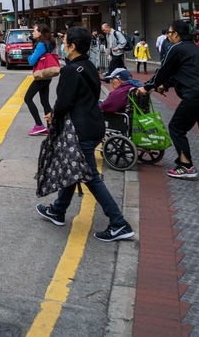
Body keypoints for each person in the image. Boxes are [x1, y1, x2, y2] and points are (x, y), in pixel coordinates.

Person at [36, 26, 135, 242]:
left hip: (81, 129)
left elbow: (64, 102)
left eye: (65, 43)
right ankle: (58, 210)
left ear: (72, 46)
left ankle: (118, 223)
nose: (63, 46)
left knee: (90, 176)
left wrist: (54, 115)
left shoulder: (71, 70)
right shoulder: (88, 65)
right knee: (76, 168)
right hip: (93, 124)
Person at [141, 21, 199, 185]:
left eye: (170, 32)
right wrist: (166, 85)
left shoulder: (177, 48)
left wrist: (148, 87)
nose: (168, 35)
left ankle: (185, 166)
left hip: (196, 96)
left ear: (176, 34)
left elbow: (164, 70)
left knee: (176, 127)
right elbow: (186, 73)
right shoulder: (196, 49)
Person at [25, 24, 57, 136]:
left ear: (40, 33)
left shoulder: (41, 45)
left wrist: (30, 56)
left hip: (42, 76)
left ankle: (39, 125)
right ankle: (50, 126)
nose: (33, 33)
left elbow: (31, 61)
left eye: (34, 31)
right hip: (47, 75)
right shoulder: (48, 43)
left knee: (28, 98)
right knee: (44, 102)